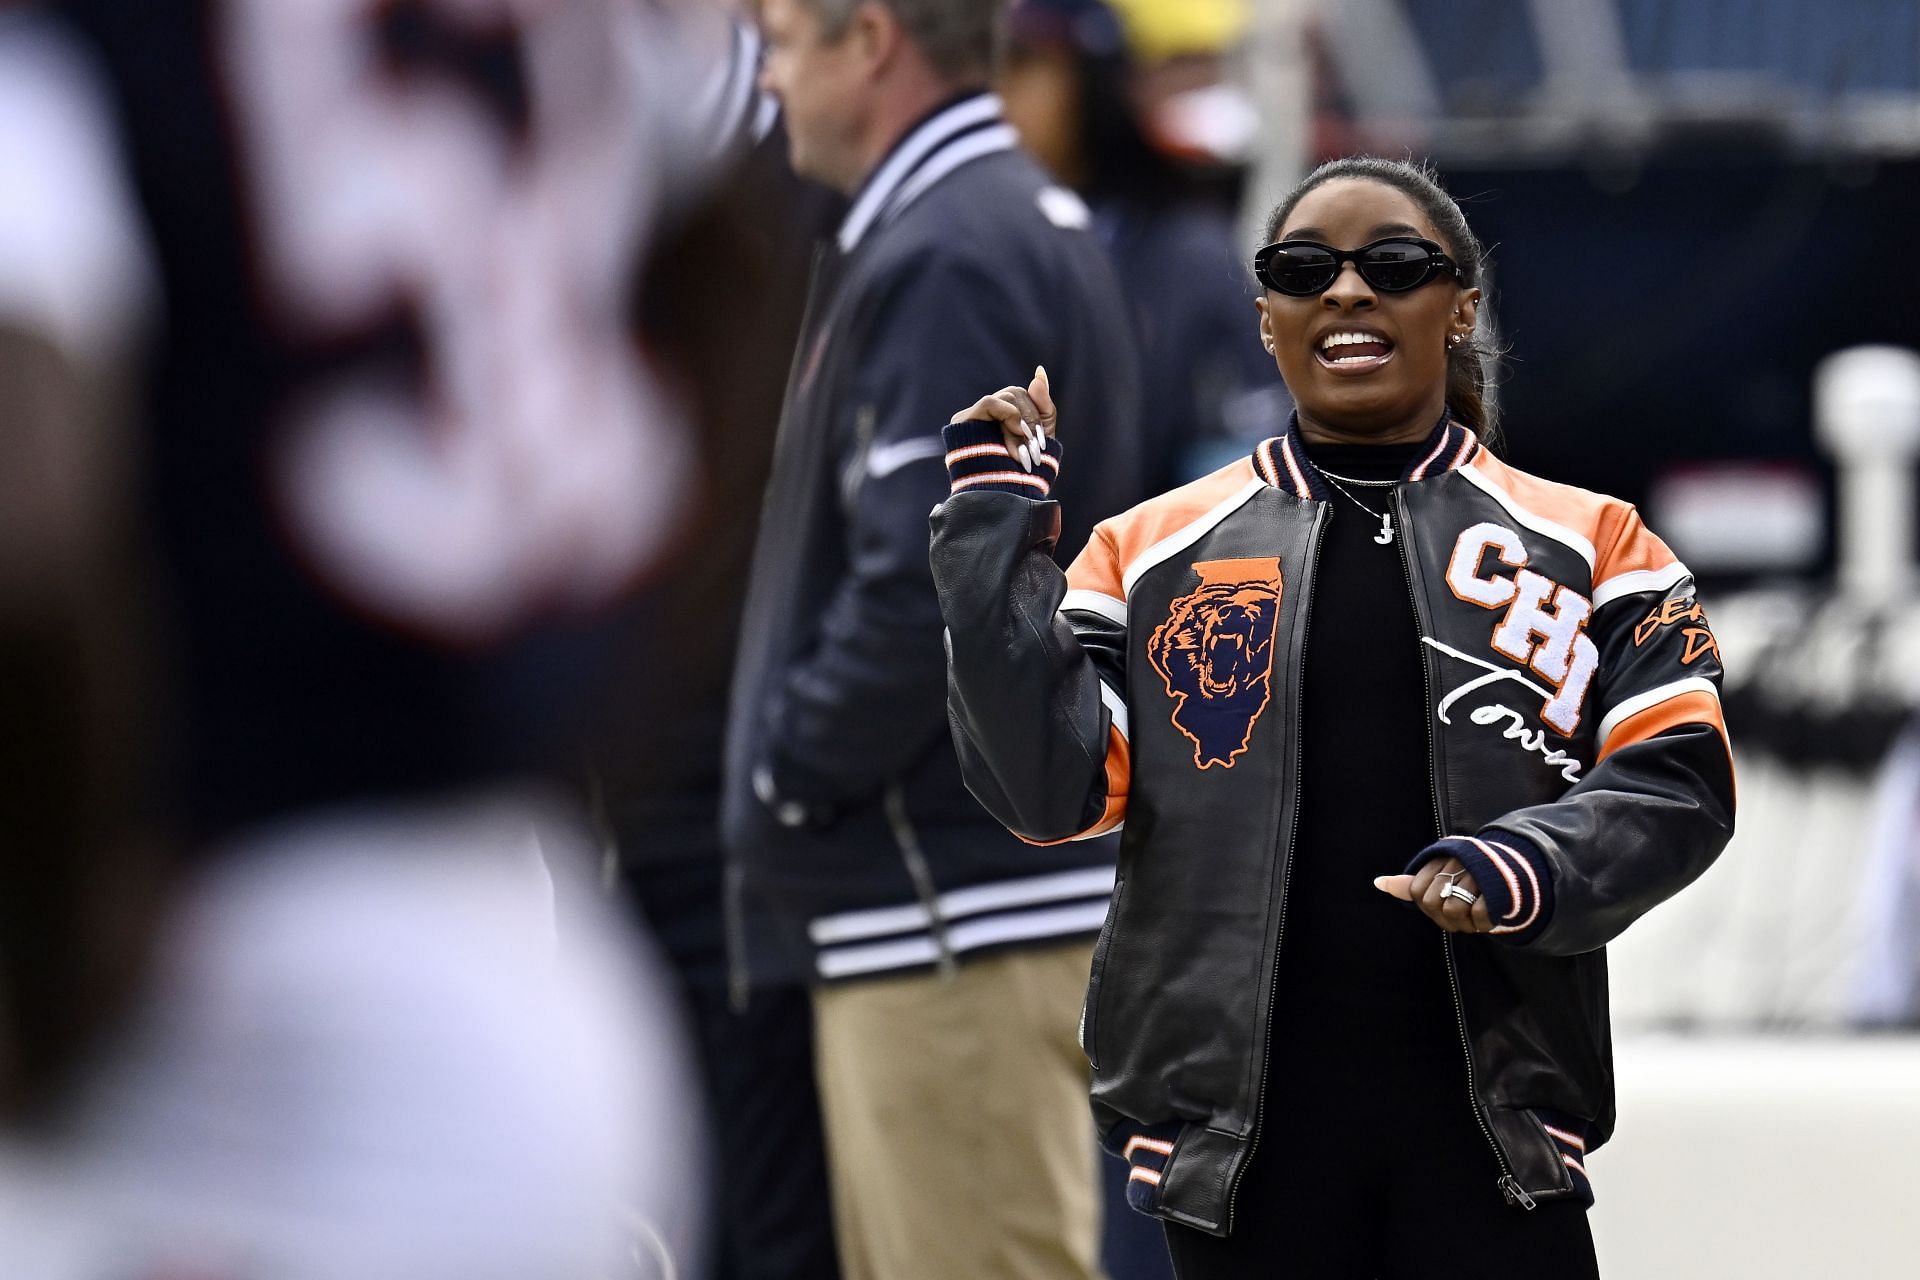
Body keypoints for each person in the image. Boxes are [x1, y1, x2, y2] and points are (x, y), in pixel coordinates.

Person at [929, 155, 1736, 1278]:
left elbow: (1680, 779)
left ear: (1460, 306)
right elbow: (1047, 791)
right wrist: (988, 539)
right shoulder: (1146, 548)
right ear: (1265, 319)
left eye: (1393, 265)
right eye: (1304, 269)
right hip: (1243, 1165)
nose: (1346, 292)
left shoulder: (1598, 543)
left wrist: (1518, 865)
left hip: (1497, 1144)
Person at [722, 1, 1148, 1277]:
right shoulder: (991, 222)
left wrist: (780, 774)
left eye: (787, 42)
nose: (771, 80)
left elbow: (924, 593)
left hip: (946, 919)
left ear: (871, 40)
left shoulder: (950, 250)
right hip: (968, 903)